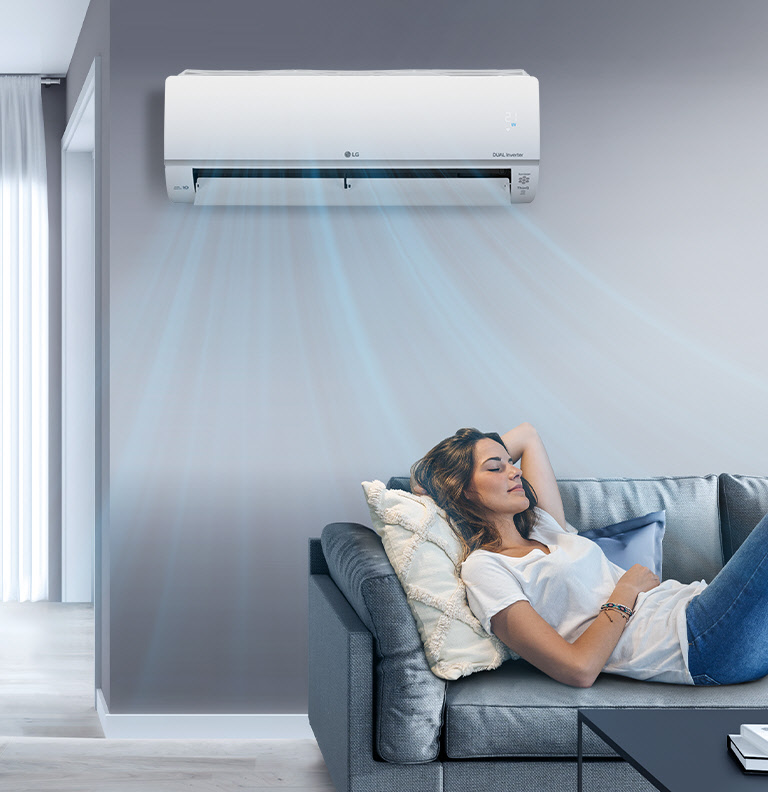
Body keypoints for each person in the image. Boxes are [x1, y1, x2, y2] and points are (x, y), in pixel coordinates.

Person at [410, 424, 768, 688]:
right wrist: (625, 588)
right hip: (696, 641)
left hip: (706, 610)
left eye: (510, 463)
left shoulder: (545, 527)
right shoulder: (485, 568)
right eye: (495, 467)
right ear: (464, 491)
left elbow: (528, 435)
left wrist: (425, 474)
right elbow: (578, 669)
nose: (514, 470)